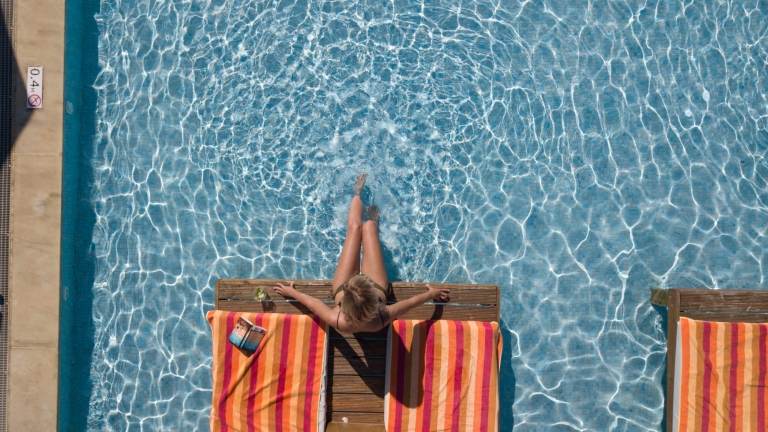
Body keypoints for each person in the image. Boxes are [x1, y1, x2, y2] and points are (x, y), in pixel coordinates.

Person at [273, 173, 451, 333]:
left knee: (355, 228)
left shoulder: (338, 320)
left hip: (344, 286)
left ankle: (357, 192)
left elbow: (313, 303)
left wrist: (292, 293)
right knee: (368, 227)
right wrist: (432, 294)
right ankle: (372, 215)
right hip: (372, 287)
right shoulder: (381, 317)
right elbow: (411, 303)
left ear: (347, 300)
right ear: (375, 302)